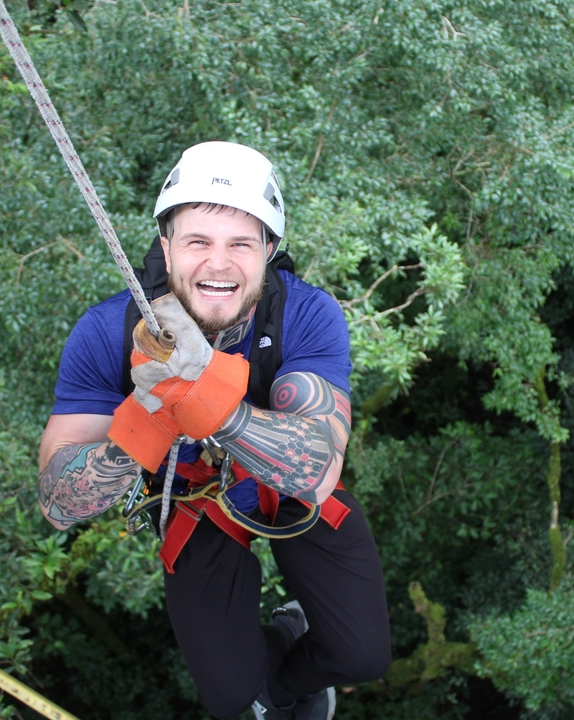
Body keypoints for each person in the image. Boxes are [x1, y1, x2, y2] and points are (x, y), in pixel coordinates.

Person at [37, 141, 392, 720]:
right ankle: (266, 686)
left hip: (285, 488)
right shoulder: (108, 332)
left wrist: (208, 402)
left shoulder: (304, 316)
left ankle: (281, 677)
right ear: (166, 246)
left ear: (269, 251)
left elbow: (317, 469)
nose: (218, 263)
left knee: (361, 656)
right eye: (198, 241)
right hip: (193, 502)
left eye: (241, 245)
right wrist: (151, 412)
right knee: (230, 700)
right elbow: (59, 504)